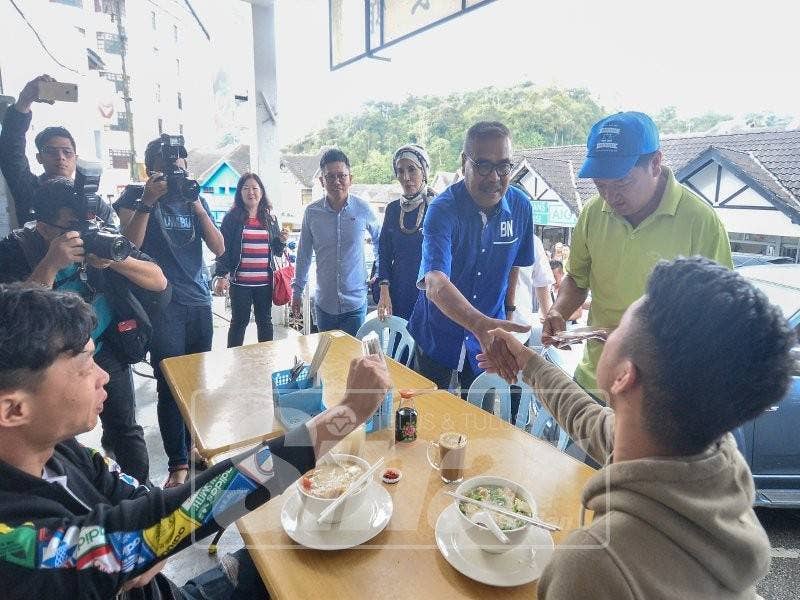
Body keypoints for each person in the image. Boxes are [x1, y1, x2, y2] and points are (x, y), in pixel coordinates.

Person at [0, 283, 391, 600]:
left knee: (295, 555)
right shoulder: (16, 546)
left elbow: (151, 509)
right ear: (14, 409)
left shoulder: (58, 450)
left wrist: (148, 541)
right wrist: (346, 414)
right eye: (85, 366)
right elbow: (171, 516)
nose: (103, 375)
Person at [478, 257, 794, 599]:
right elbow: (588, 419)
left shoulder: (594, 566)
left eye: (618, 329)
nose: (604, 334)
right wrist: (528, 363)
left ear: (624, 375)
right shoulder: (710, 457)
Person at [543, 111, 733, 393]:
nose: (610, 197)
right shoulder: (593, 213)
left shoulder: (701, 222)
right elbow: (577, 279)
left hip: (660, 392)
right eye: (600, 185)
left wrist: (632, 339)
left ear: (655, 163)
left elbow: (716, 318)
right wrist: (558, 311)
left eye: (622, 183)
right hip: (594, 381)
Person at [0, 178, 167, 484]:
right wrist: (51, 263)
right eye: (71, 227)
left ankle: (139, 491)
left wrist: (114, 261)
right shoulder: (15, 250)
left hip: (103, 348)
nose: (83, 232)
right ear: (44, 227)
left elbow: (158, 280)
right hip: (49, 364)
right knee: (59, 438)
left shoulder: (99, 236)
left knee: (125, 429)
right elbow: (14, 319)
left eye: (88, 222)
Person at [114, 135, 225, 487]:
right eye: (167, 168)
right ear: (152, 170)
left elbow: (219, 247)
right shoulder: (135, 196)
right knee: (169, 383)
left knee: (196, 382)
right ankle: (177, 463)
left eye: (180, 167)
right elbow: (127, 247)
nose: (176, 174)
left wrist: (197, 205)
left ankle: (194, 446)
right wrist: (149, 200)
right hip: (162, 305)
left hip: (199, 301)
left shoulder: (193, 196)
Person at [407, 121, 533, 394]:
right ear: (464, 162)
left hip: (489, 337)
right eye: (483, 165)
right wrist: (477, 323)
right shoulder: (442, 210)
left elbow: (515, 264)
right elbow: (435, 282)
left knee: (480, 413)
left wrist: (509, 311)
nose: (494, 177)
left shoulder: (521, 207)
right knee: (428, 409)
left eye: (503, 166)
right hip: (437, 333)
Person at [0, 74, 115, 225]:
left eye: (67, 152)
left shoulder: (92, 200)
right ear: (39, 158)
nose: (61, 157)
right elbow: (11, 150)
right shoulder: (28, 188)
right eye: (51, 151)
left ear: (76, 158)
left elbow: (115, 235)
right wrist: (24, 101)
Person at [291, 148, 380, 336]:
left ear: (350, 179)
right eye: (330, 176)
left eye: (341, 176)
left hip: (355, 304)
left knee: (353, 353)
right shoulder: (312, 213)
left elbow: (380, 242)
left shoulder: (363, 209)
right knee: (328, 353)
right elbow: (304, 255)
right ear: (322, 181)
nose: (336, 181)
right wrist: (296, 292)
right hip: (325, 304)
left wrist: (379, 272)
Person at [214, 173, 287, 346]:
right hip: (240, 284)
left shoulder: (270, 219)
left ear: (262, 192)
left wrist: (282, 241)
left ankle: (265, 358)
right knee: (239, 323)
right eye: (245, 188)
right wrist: (222, 275)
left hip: (264, 283)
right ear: (239, 193)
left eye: (255, 188)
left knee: (265, 322)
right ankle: (233, 357)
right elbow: (222, 249)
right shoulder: (231, 218)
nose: (251, 192)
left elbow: (276, 252)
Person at [376, 144, 436, 321]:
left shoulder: (437, 208)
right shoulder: (393, 209)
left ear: (424, 171)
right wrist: (384, 292)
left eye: (412, 169)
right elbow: (384, 253)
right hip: (399, 293)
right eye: (400, 171)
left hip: (430, 293)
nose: (406, 177)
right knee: (399, 337)